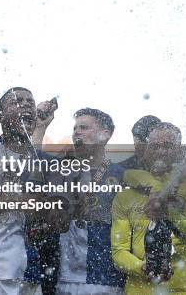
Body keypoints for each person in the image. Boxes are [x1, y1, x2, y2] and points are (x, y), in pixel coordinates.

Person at [0, 87, 64, 295]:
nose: (26, 104)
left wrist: (56, 211)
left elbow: (57, 220)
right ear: (0, 117)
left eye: (30, 101)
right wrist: (30, 201)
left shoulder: (42, 161)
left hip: (32, 272)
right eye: (17, 101)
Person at [111, 122, 186, 294]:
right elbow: (118, 251)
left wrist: (168, 213)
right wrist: (144, 268)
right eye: (154, 146)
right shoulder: (125, 196)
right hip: (139, 290)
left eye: (168, 146)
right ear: (146, 151)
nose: (160, 151)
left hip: (183, 289)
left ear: (179, 149)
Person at [55, 108, 125, 294]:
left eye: (84, 127)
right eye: (75, 128)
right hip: (65, 278)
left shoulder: (122, 175)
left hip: (105, 278)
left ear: (105, 135)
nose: (76, 132)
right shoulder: (60, 171)